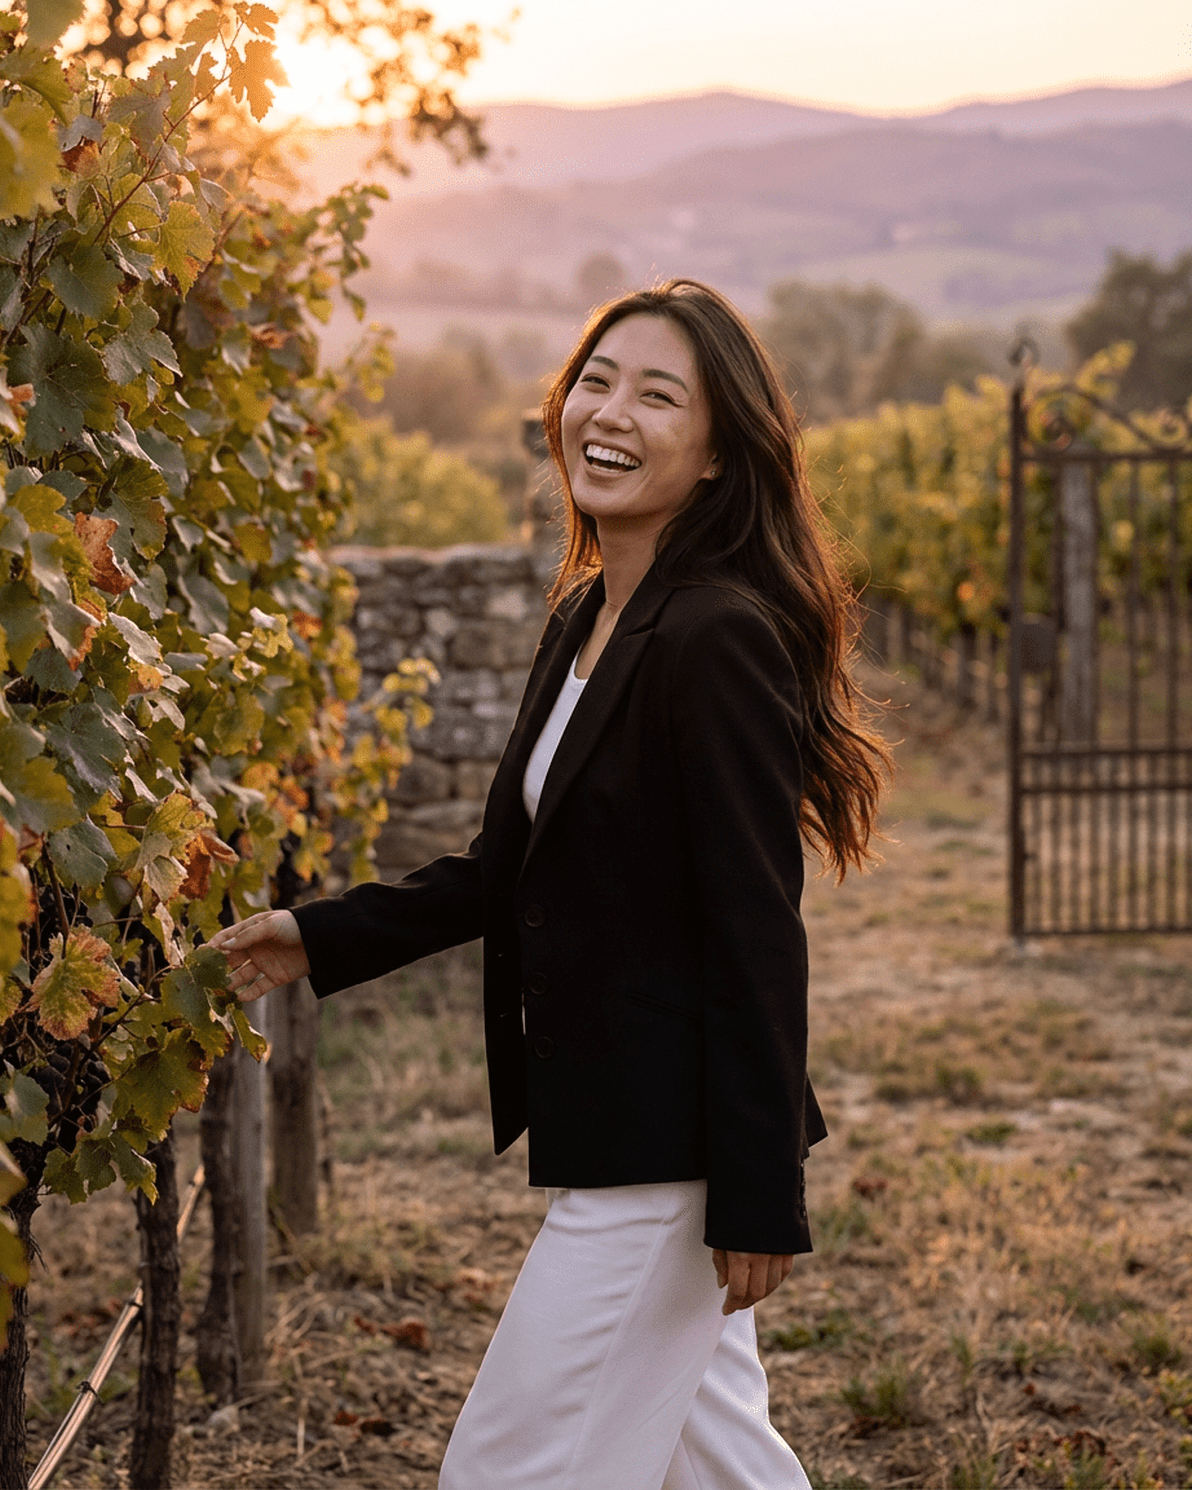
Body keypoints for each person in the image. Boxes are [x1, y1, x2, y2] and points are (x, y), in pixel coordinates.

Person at [211, 278, 889, 1489]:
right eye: (595, 379)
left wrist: (758, 1190)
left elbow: (754, 928)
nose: (610, 412)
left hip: (670, 1151)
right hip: (624, 1124)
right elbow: (512, 864)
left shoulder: (715, 635)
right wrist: (317, 936)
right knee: (723, 1466)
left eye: (658, 394)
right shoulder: (588, 615)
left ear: (717, 453)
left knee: (508, 1468)